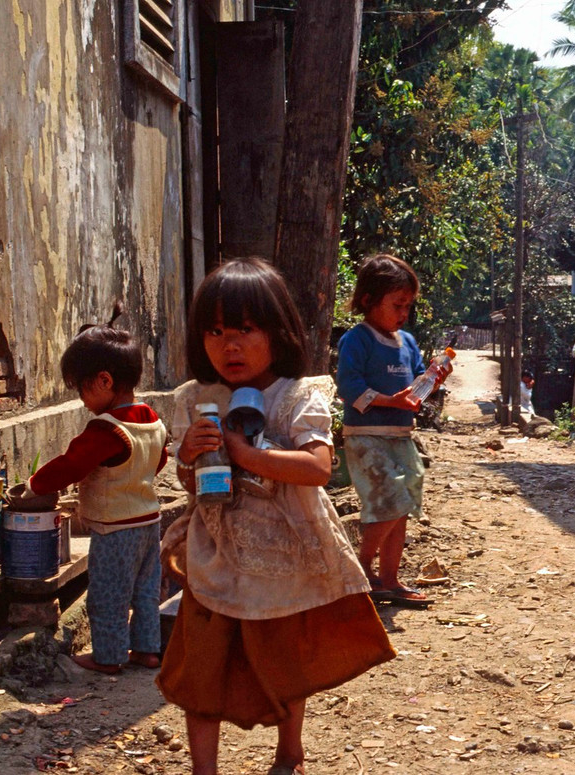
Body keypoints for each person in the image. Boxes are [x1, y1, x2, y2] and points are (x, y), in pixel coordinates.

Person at [159, 257, 394, 775]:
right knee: (201, 667)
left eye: (245, 329)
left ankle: (289, 755)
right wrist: (188, 458)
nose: (230, 346)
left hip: (281, 555)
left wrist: (245, 454)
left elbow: (316, 467)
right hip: (215, 553)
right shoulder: (197, 400)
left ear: (279, 331)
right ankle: (204, 770)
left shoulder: (296, 395)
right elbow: (188, 484)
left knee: (283, 663)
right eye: (215, 331)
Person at [25, 305, 168, 674]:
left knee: (108, 596)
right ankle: (147, 650)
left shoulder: (106, 430)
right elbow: (159, 461)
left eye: (82, 390)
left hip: (115, 528)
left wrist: (34, 485)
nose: (82, 400)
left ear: (104, 381)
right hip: (149, 524)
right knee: (145, 591)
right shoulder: (152, 420)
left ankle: (108, 656)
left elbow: (70, 465)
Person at [336, 253, 450, 609]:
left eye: (407, 306)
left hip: (400, 436)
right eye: (397, 304)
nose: (403, 314)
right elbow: (349, 387)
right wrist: (391, 400)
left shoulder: (408, 342)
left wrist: (432, 379)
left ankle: (389, 579)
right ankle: (361, 569)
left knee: (403, 505)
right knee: (388, 501)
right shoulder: (358, 339)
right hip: (366, 436)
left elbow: (415, 385)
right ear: (369, 300)